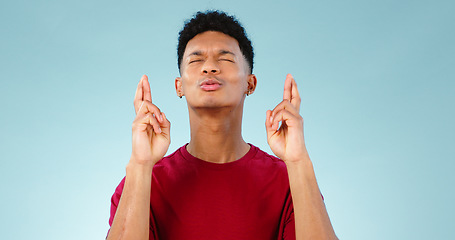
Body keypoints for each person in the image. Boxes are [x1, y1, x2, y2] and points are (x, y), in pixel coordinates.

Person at [107, 10, 338, 240]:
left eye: (225, 59)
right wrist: (140, 164)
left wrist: (298, 161)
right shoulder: (143, 181)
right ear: (179, 86)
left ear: (251, 82)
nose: (209, 68)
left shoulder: (291, 180)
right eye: (196, 60)